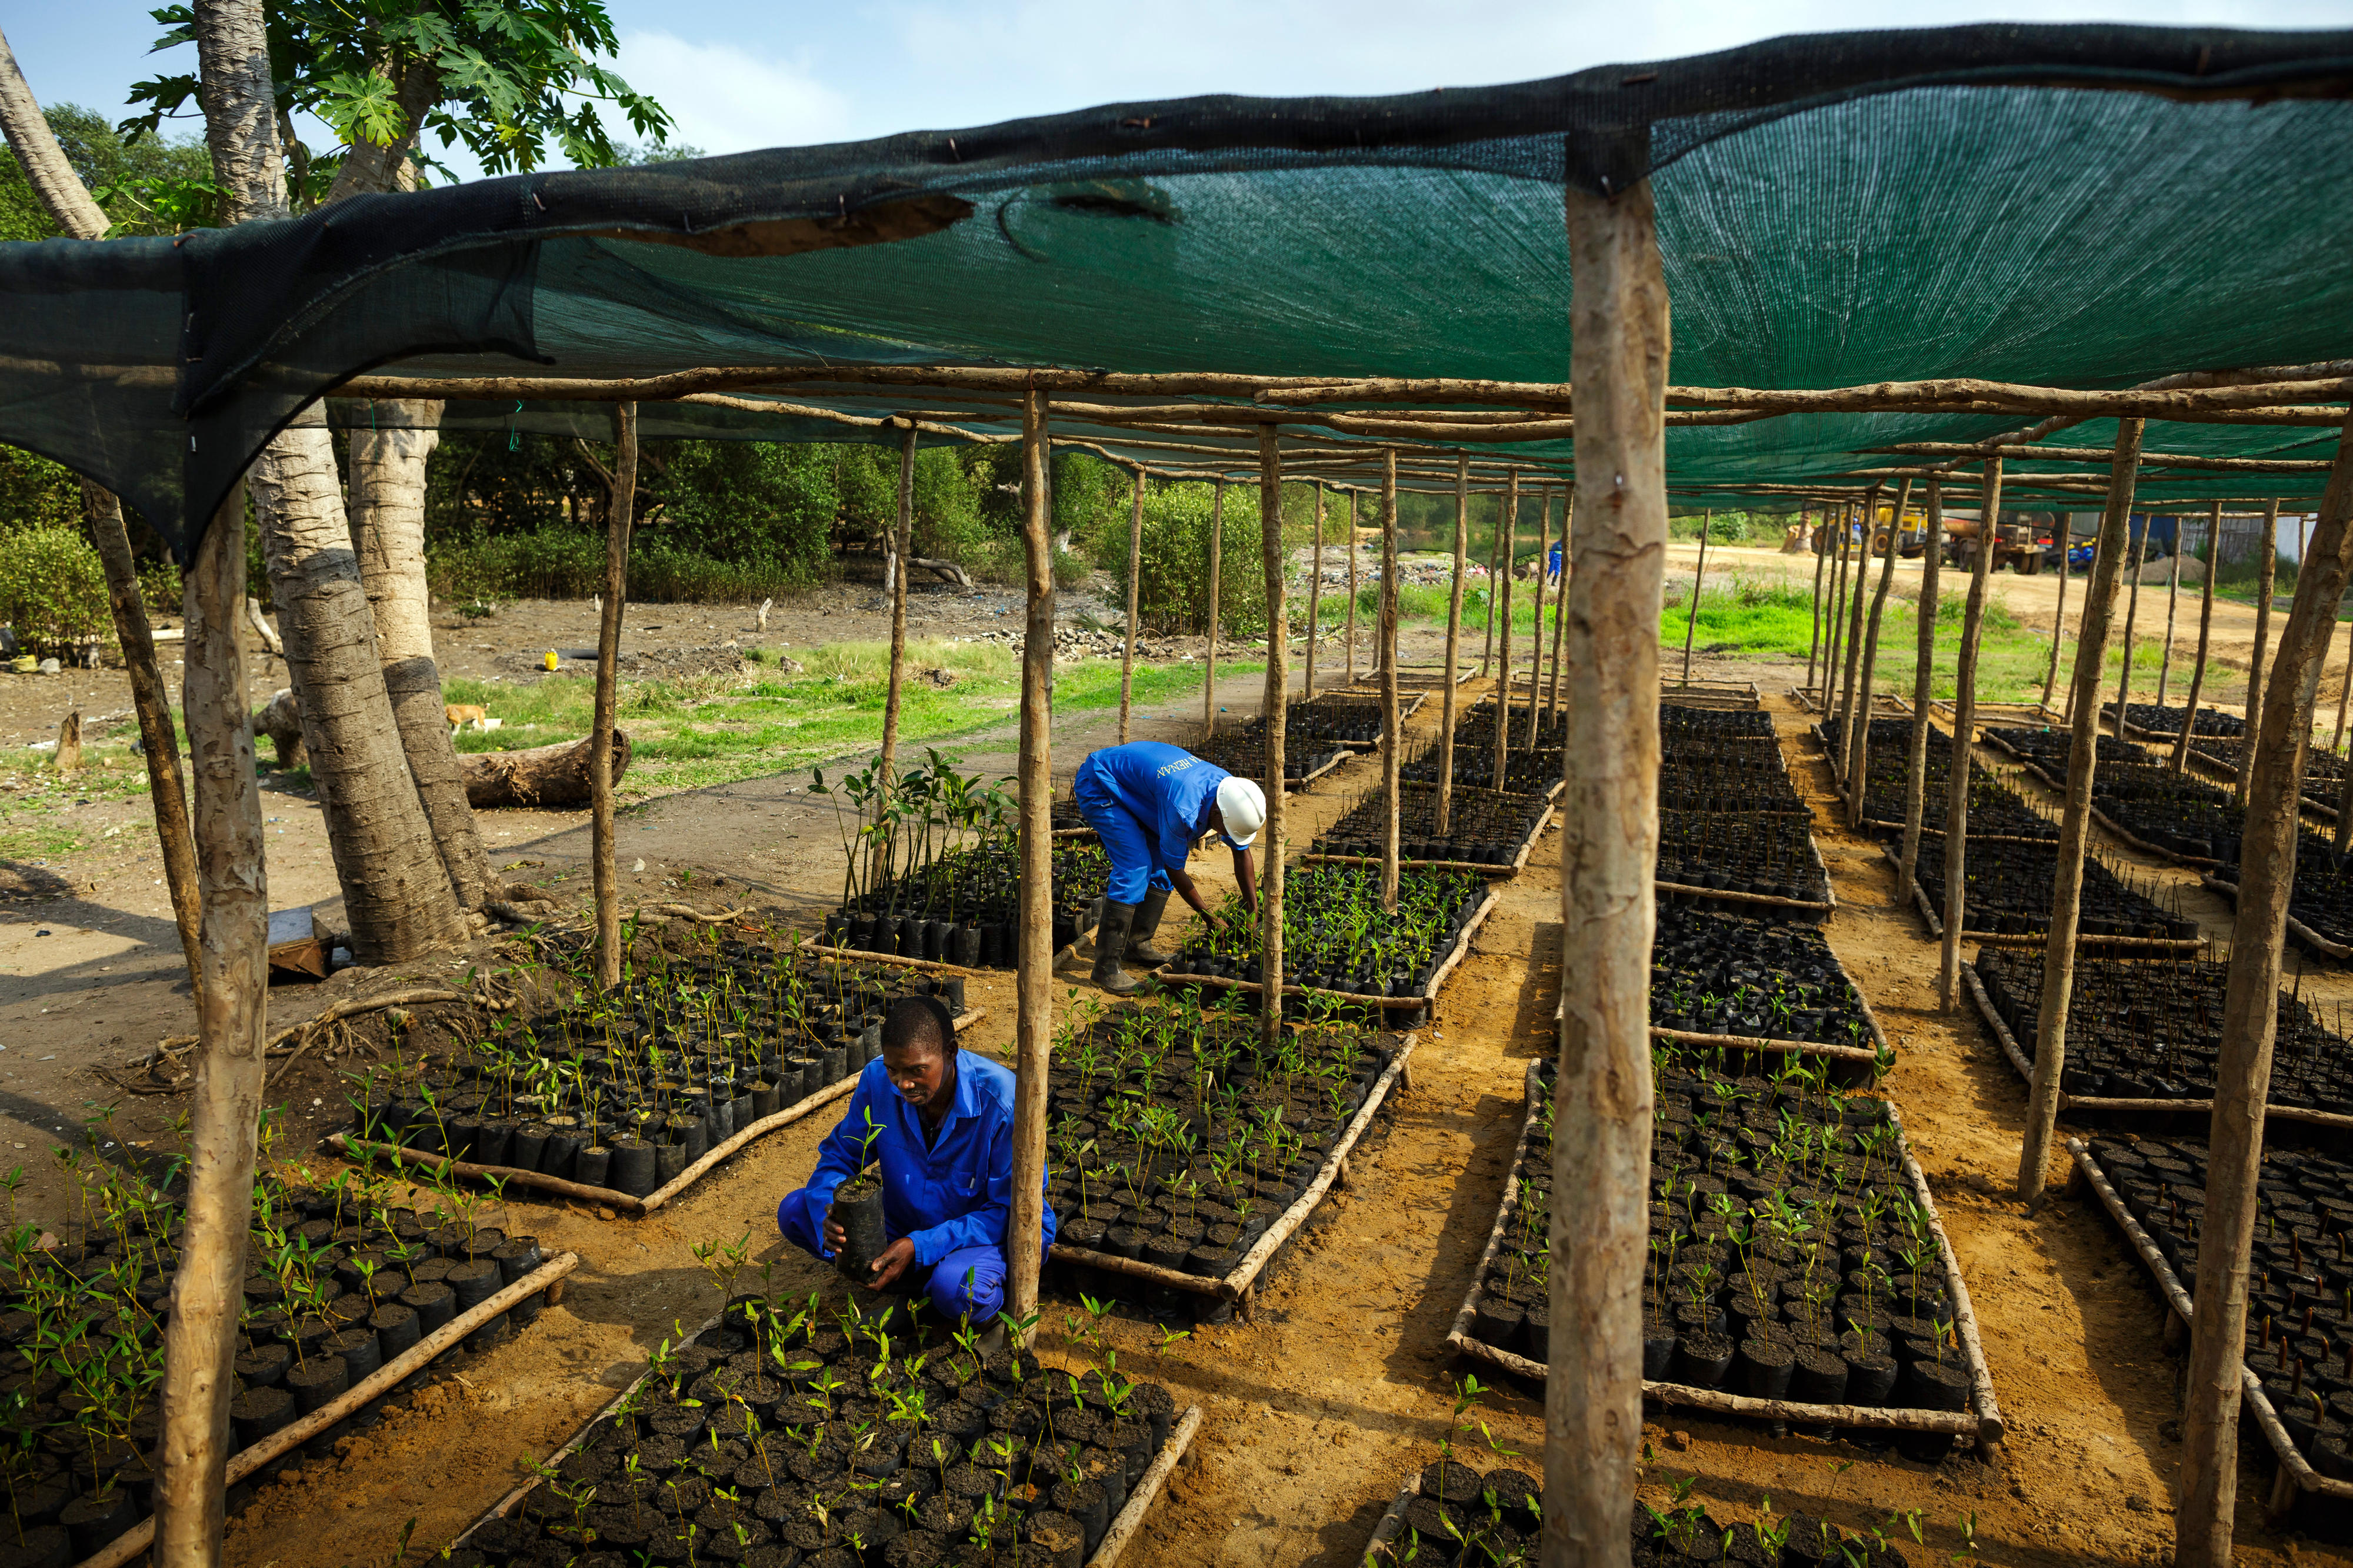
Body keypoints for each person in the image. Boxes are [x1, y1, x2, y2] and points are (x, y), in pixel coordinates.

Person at [775, 996, 1052, 1332]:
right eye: (894, 1069)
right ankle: (912, 1286)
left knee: (956, 1290)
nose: (903, 1084)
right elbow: (839, 1155)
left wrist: (920, 1245)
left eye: (917, 1070)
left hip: (980, 1235)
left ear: (950, 1052)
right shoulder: (878, 1081)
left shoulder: (1004, 1103)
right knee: (795, 1211)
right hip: (906, 1219)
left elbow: (1012, 1212)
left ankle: (978, 1306)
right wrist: (827, 1212)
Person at [1071, 740, 1267, 995]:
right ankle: (1105, 969)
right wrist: (1208, 916)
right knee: (1136, 868)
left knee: (1159, 872)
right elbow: (1176, 870)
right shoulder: (1183, 808)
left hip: (1143, 790)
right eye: (1225, 830)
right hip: (1103, 784)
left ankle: (1136, 944)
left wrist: (1253, 909)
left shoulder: (1228, 791)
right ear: (1218, 814)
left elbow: (1242, 852)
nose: (1224, 835)